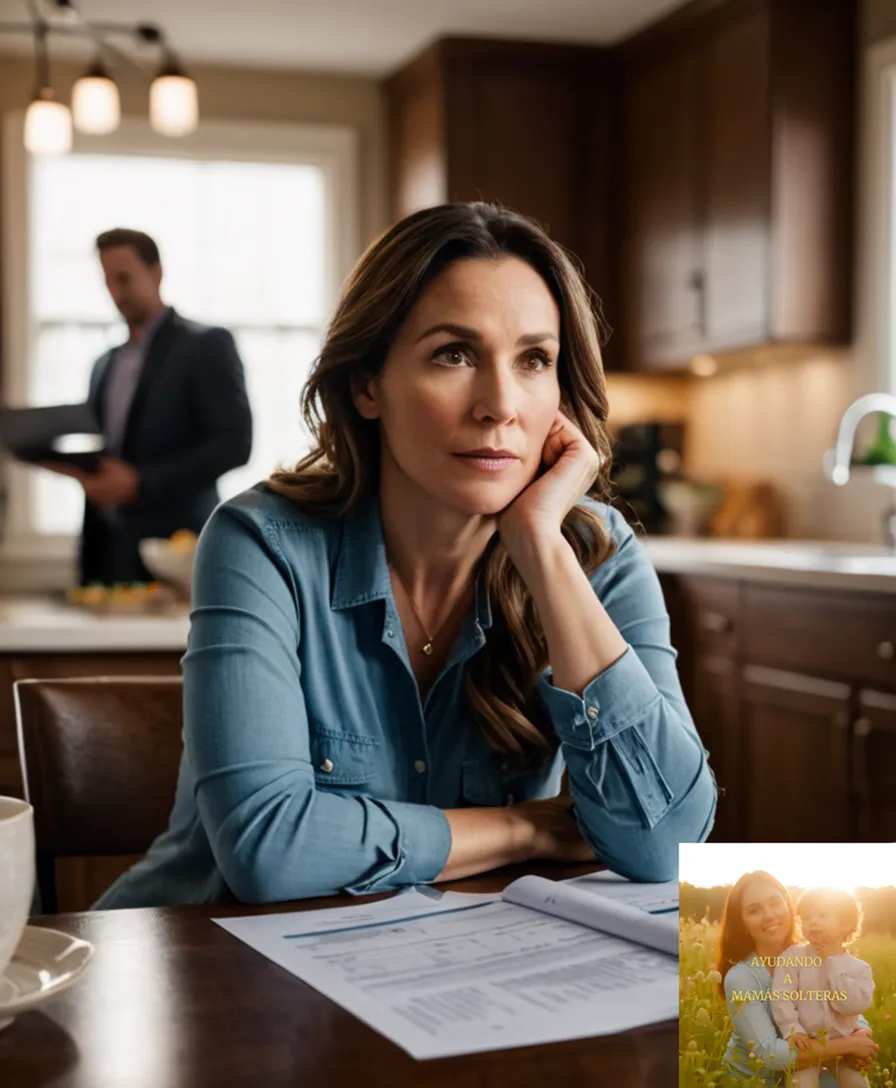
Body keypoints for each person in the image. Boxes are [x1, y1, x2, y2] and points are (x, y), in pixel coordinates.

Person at [94, 201, 716, 910]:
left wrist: (543, 549)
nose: (499, 405)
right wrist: (524, 830)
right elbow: (268, 849)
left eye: (534, 360)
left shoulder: (594, 552)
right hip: (201, 968)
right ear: (367, 384)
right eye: (454, 354)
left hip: (447, 981)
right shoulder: (260, 543)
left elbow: (667, 845)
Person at [43, 228, 253, 585]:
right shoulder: (103, 364)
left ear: (156, 273)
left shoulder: (205, 346)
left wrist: (141, 481)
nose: (115, 292)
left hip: (177, 552)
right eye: (107, 281)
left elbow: (234, 445)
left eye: (124, 278)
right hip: (107, 552)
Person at [718, 872, 878, 1085]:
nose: (769, 915)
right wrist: (849, 1045)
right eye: (754, 910)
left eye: (775, 903)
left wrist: (862, 1032)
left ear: (788, 905)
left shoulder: (814, 953)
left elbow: (837, 1001)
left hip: (808, 1064)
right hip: (757, 1080)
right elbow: (768, 1054)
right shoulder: (741, 978)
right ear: (743, 923)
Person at [770, 887, 874, 1088]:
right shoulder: (792, 958)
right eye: (807, 918)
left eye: (822, 915)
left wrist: (833, 962)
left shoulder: (859, 969)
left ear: (845, 923)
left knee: (858, 1084)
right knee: (801, 1083)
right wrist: (793, 1030)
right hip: (807, 1044)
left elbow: (852, 1006)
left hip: (843, 1048)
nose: (813, 922)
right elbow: (781, 997)